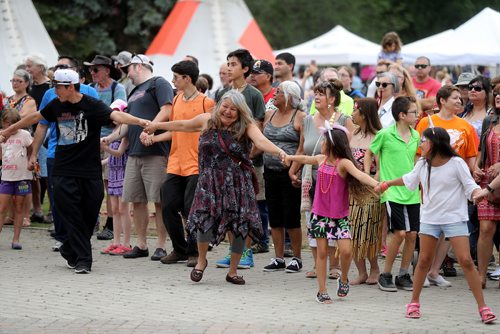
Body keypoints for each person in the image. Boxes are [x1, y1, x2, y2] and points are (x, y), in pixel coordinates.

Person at [0, 69, 150, 273]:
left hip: (89, 170)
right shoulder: (56, 105)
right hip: (63, 168)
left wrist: (140, 122)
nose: (55, 91)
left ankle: (70, 248)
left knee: (89, 214)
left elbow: (116, 115)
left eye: (58, 87)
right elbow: (35, 118)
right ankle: (83, 260)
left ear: (70, 87)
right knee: (70, 213)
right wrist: (8, 131)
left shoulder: (92, 105)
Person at [143, 90, 286, 285]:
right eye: (225, 107)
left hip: (237, 185)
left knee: (238, 228)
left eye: (233, 109)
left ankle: (233, 271)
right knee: (203, 224)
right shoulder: (207, 120)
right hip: (209, 183)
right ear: (219, 106)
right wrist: (157, 125)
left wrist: (279, 152)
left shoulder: (246, 125)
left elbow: (261, 141)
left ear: (240, 112)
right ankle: (201, 261)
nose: (227, 112)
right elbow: (182, 125)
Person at [378, 127, 496, 324]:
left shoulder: (457, 163)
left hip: (454, 218)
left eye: (423, 141)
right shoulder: (423, 164)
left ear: (434, 143)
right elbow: (409, 180)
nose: (420, 144)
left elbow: (470, 187)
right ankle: (413, 303)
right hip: (430, 219)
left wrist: (480, 194)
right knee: (423, 261)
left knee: (466, 261)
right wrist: (387, 184)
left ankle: (483, 308)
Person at [285, 123, 379, 303]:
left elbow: (360, 176)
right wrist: (289, 157)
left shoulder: (343, 163)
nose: (321, 145)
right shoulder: (321, 159)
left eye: (324, 142)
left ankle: (343, 279)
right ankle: (322, 291)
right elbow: (304, 158)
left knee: (346, 251)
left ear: (333, 144)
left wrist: (377, 184)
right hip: (319, 216)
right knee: (321, 253)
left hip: (340, 217)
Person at [143, 60, 214, 267]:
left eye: (176, 77)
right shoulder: (176, 100)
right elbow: (176, 129)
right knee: (168, 206)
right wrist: (154, 138)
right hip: (176, 163)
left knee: (191, 209)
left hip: (196, 164)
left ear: (187, 78)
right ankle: (179, 249)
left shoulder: (206, 103)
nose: (173, 81)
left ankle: (194, 252)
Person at [110, 54, 174, 261]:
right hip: (134, 152)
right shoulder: (134, 91)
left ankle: (162, 245)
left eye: (128, 68)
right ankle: (142, 244)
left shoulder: (158, 83)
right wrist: (110, 137)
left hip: (156, 152)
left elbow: (167, 108)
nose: (126, 73)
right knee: (136, 200)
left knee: (159, 201)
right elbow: (128, 123)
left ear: (138, 66)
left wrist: (152, 128)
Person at [289, 80, 353, 280]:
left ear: (332, 99)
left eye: (321, 94)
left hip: (335, 179)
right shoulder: (308, 120)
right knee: (313, 221)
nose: (316, 97)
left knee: (334, 220)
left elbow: (349, 152)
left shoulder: (344, 120)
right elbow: (302, 149)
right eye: (315, 94)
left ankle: (334, 266)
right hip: (312, 176)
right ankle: (318, 264)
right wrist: (293, 170)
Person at [416, 85, 479, 284]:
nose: (460, 101)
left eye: (461, 99)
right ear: (442, 100)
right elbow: (418, 153)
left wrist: (474, 172)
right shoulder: (426, 122)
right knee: (429, 225)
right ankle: (422, 269)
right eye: (455, 98)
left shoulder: (465, 126)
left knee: (447, 228)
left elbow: (471, 155)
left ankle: (434, 271)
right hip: (430, 180)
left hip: (455, 183)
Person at [35, 58, 99, 251]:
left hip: (85, 158)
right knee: (60, 200)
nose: (56, 88)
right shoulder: (50, 95)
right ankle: (63, 236)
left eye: (65, 67)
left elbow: (109, 116)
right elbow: (41, 121)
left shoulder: (90, 94)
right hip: (57, 153)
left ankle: (78, 240)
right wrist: (34, 152)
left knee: (87, 200)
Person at [214, 49, 266, 269]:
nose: (228, 67)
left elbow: (259, 129)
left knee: (246, 209)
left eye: (233, 64)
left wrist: (246, 156)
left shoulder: (254, 95)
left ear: (245, 69)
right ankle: (232, 251)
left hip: (249, 162)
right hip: (224, 164)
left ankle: (246, 252)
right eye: (227, 63)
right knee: (227, 209)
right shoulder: (221, 94)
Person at [367, 96, 421, 292]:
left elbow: (416, 162)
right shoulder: (385, 133)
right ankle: (386, 274)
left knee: (413, 234)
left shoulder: (416, 136)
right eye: (414, 112)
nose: (417, 115)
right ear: (402, 115)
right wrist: (369, 175)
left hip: (412, 192)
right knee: (399, 232)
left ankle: (403, 274)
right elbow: (369, 152)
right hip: (391, 192)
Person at [261, 81, 306, 273]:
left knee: (291, 217)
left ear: (289, 96)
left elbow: (302, 147)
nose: (274, 95)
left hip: (290, 174)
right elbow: (262, 140)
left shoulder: (301, 117)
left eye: (278, 92)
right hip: (270, 171)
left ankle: (296, 257)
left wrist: (293, 169)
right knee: (275, 216)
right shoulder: (269, 114)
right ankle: (278, 257)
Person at [84, 55, 127, 241]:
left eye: (95, 69)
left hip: (110, 140)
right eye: (90, 70)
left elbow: (118, 115)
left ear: (107, 70)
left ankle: (110, 224)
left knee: (110, 184)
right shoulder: (90, 89)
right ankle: (91, 220)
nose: (92, 73)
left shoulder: (118, 89)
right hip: (90, 140)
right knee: (91, 182)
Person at [349, 98, 384, 284]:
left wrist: (370, 185)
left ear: (364, 114)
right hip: (351, 190)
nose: (352, 114)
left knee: (368, 231)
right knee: (353, 232)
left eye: (355, 111)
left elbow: (379, 167)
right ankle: (361, 271)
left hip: (370, 191)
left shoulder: (378, 135)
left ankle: (375, 269)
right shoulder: (352, 133)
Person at [474, 83, 500, 288]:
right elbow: (482, 149)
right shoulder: (489, 121)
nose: (498, 96)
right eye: (497, 93)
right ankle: (481, 275)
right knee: (485, 228)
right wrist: (476, 166)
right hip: (487, 180)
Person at [99, 99, 133, 256]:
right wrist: (101, 162)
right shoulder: (114, 132)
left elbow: (119, 153)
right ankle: (116, 241)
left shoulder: (125, 132)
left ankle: (126, 242)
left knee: (123, 209)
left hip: (123, 172)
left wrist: (106, 148)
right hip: (113, 173)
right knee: (114, 209)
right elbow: (112, 158)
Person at [0, 108, 33, 250]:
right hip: (7, 177)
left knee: (19, 207)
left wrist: (31, 161)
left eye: (13, 123)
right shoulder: (1, 135)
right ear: (3, 123)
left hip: (23, 178)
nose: (10, 127)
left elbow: (31, 148)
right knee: (2, 208)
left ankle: (16, 239)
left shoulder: (24, 134)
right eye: (7, 123)